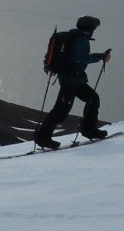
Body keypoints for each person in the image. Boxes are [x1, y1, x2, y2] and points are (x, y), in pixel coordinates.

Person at [36, 15, 112, 149]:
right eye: (94, 28)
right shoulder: (81, 40)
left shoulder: (74, 36)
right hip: (70, 81)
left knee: (93, 99)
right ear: (90, 28)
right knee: (61, 110)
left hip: (75, 79)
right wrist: (101, 57)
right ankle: (43, 137)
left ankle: (89, 129)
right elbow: (82, 58)